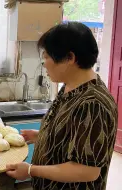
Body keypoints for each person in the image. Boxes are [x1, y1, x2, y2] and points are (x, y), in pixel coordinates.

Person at [6, 22, 118, 189]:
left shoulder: (93, 104)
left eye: (46, 57)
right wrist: (41, 136)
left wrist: (30, 170)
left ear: (70, 58)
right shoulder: (69, 86)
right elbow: (72, 135)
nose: (44, 64)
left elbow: (87, 170)